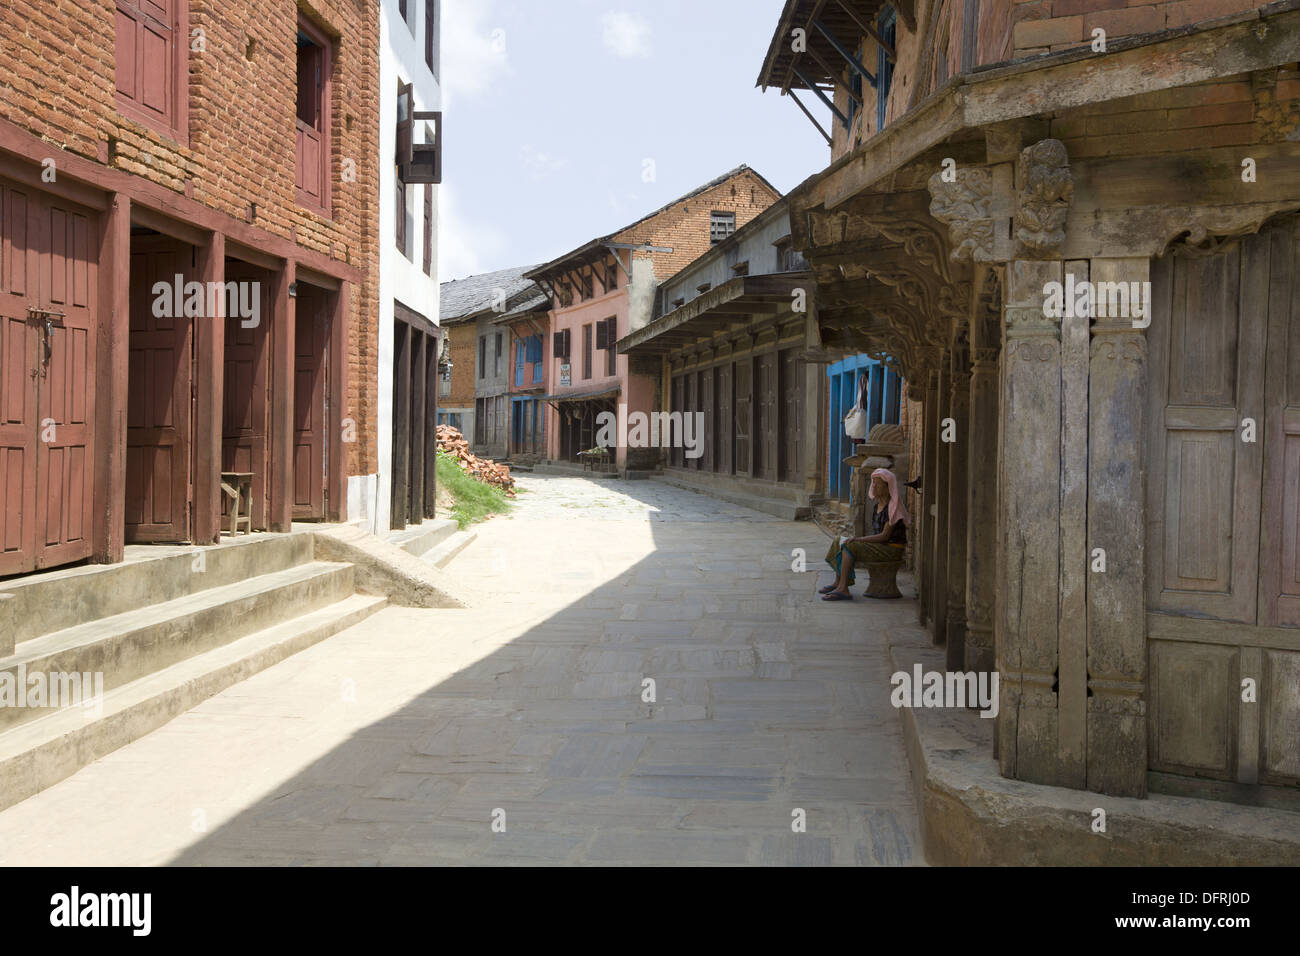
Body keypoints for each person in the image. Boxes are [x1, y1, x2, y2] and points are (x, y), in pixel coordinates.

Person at [820, 467, 909, 600]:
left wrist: (859, 540)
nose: (874, 486)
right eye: (873, 482)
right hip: (881, 546)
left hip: (891, 549)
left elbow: (884, 536)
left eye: (877, 483)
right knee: (840, 540)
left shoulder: (893, 507)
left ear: (887, 486)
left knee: (851, 545)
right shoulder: (877, 506)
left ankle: (844, 589)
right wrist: (858, 540)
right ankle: (838, 583)